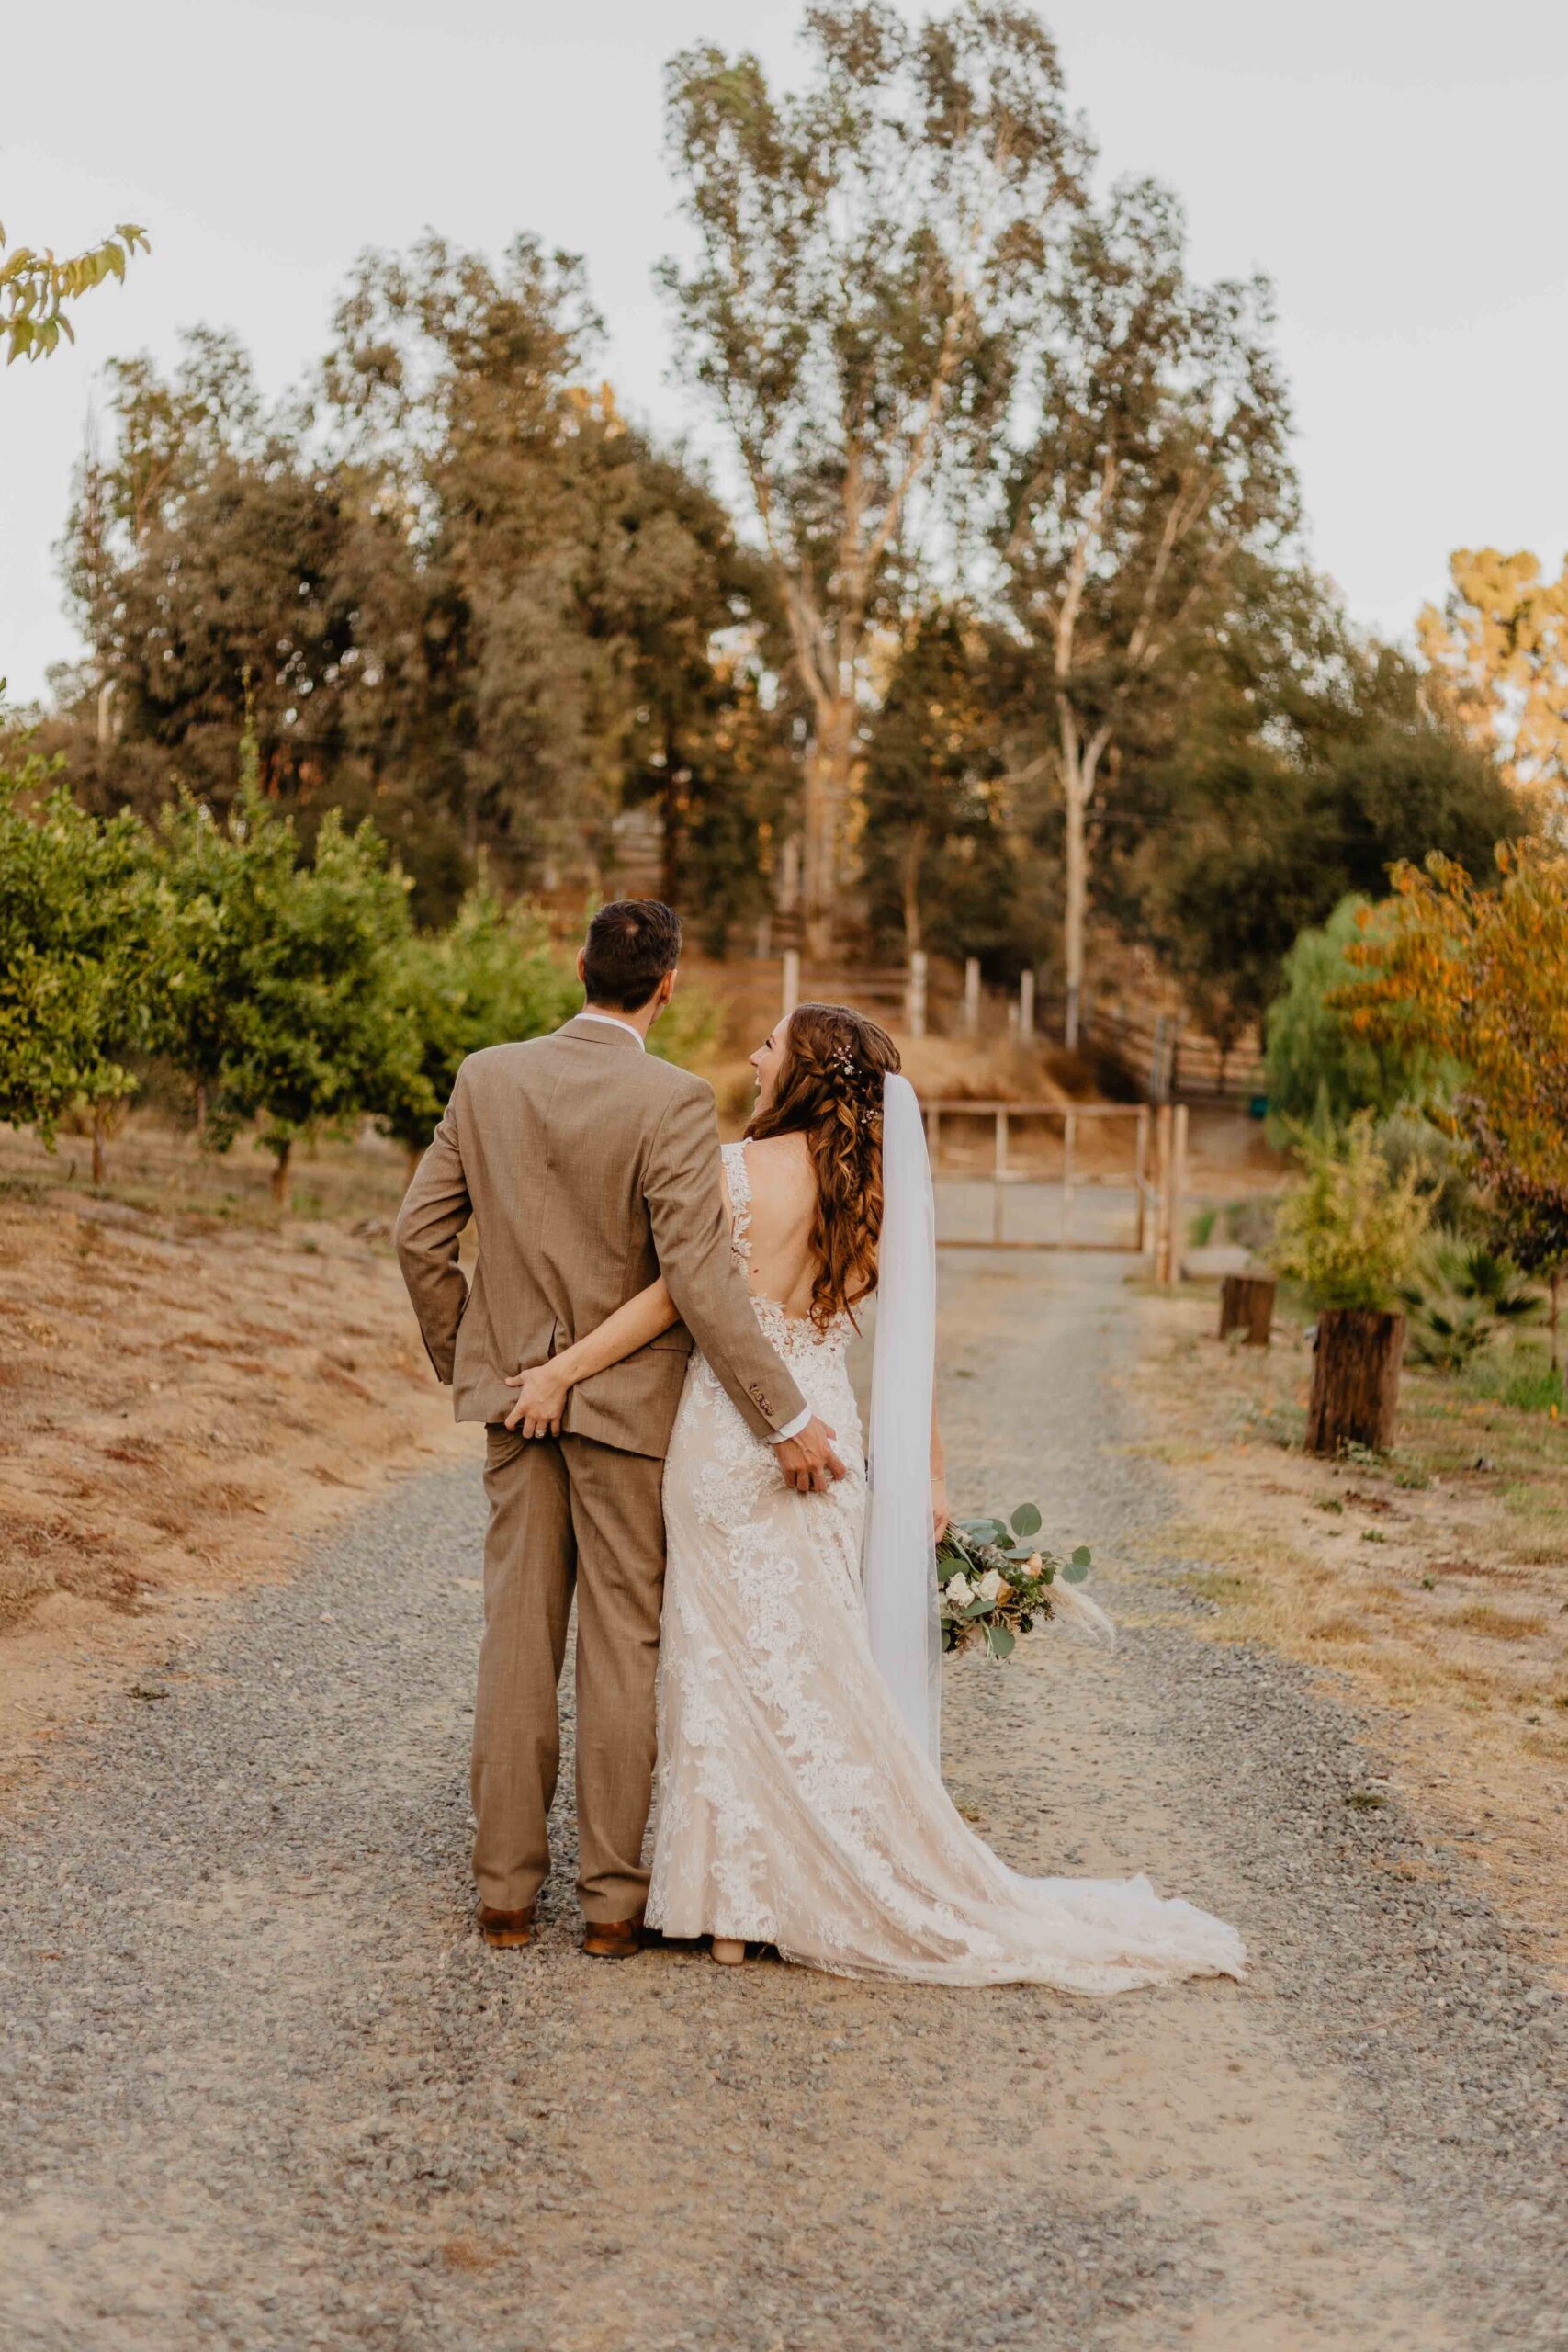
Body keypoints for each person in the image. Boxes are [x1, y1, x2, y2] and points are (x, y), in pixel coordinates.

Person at [504, 1001, 1247, 1989]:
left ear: (804, 1071)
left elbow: (673, 1298)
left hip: (728, 1439)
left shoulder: (733, 1171)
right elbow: (911, 1350)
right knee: (811, 1657)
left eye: (771, 1044)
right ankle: (795, 1888)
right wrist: (928, 1473)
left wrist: (562, 1369)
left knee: (717, 1658)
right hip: (832, 1440)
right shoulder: (879, 1193)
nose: (756, 1054)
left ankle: (726, 1908)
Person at [395, 901, 845, 1959]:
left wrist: (481, 1362)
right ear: (668, 984)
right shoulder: (675, 1100)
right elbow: (696, 1276)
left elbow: (418, 1236)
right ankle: (608, 1905)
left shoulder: (486, 1077)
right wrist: (782, 1412)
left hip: (516, 1399)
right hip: (631, 1412)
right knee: (619, 1645)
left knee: (516, 1639)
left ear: (581, 965)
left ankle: (503, 1898)